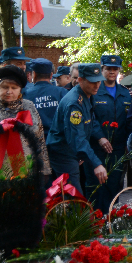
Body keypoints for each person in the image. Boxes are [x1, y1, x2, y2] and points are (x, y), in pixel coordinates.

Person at [0, 65, 51, 183]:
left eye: (14, 87)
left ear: (20, 90)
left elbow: (39, 138)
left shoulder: (29, 106)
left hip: (26, 170)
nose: (9, 91)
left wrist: (44, 169)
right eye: (5, 87)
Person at [46, 64, 111, 195]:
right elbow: (77, 137)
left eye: (99, 81)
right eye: (92, 81)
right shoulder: (74, 103)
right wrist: (96, 164)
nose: (97, 85)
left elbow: (88, 124)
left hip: (70, 151)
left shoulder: (87, 95)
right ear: (80, 80)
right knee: (74, 198)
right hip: (63, 153)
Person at [85, 55, 132, 211]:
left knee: (114, 183)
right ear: (102, 69)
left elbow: (128, 120)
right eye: (108, 69)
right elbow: (90, 118)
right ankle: (94, 219)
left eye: (115, 69)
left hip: (118, 147)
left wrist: (127, 143)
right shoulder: (94, 91)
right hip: (97, 146)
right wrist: (100, 137)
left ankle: (111, 219)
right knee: (95, 185)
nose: (112, 72)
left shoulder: (125, 93)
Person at [22, 58, 67, 135]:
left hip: (35, 140)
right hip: (57, 139)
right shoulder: (62, 92)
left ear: (34, 74)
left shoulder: (26, 94)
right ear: (51, 75)